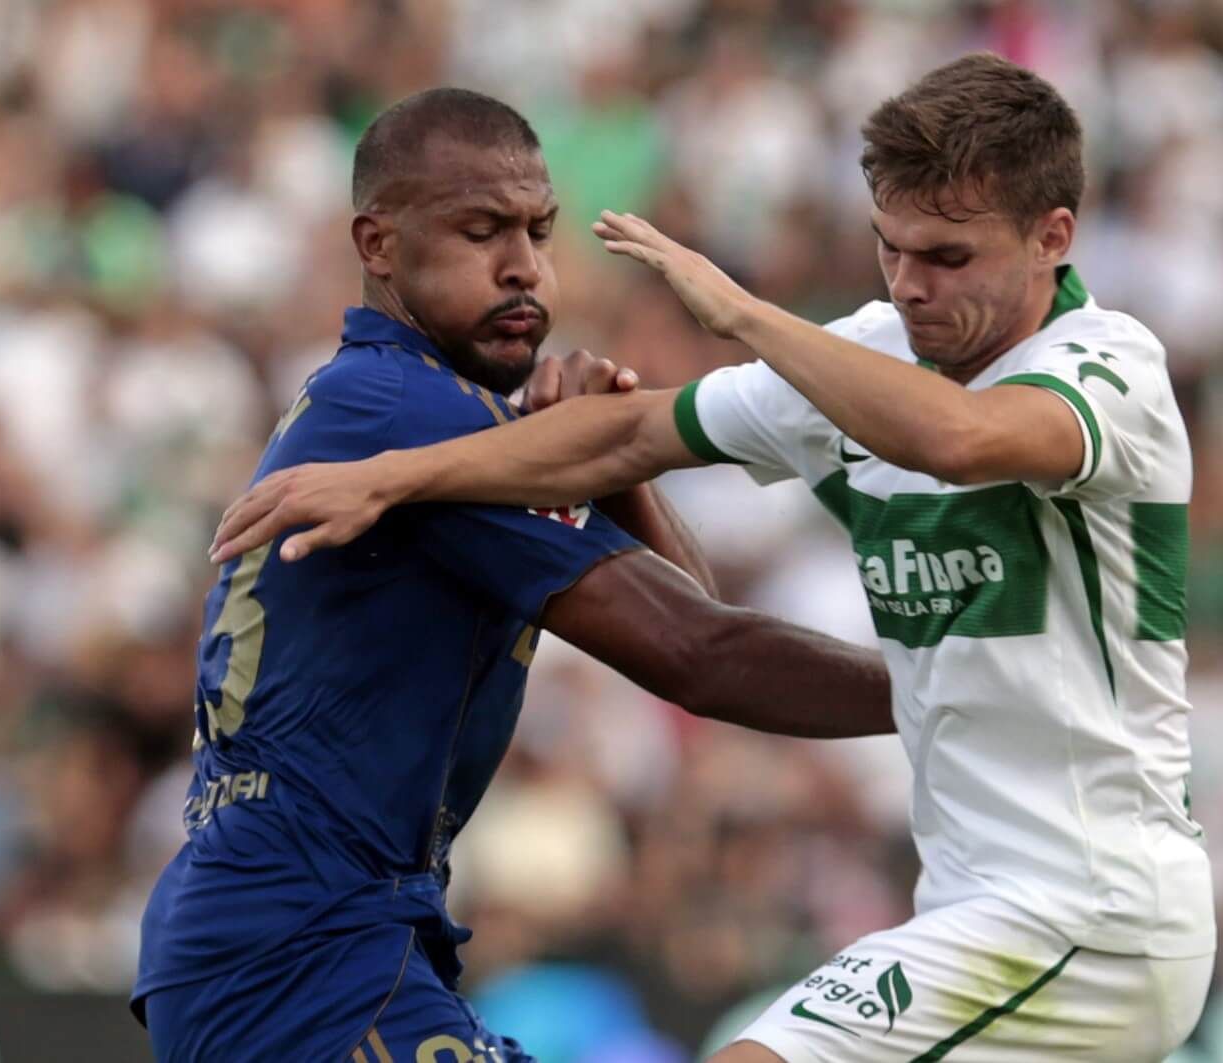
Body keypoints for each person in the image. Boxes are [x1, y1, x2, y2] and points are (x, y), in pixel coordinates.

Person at [212, 55, 1213, 1062]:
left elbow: (956, 439)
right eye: (891, 249)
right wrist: (398, 476)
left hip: (1090, 911)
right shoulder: (872, 352)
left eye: (948, 257)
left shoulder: (1105, 367)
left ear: (1053, 237)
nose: (911, 287)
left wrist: (742, 315)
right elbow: (622, 436)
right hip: (976, 903)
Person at [134, 88, 892, 1062]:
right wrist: (965, 692)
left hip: (292, 940)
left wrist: (613, 472)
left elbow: (695, 621)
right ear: (379, 244)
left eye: (539, 231)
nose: (523, 267)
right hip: (302, 952)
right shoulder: (411, 410)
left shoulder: (402, 406)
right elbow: (703, 653)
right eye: (480, 231)